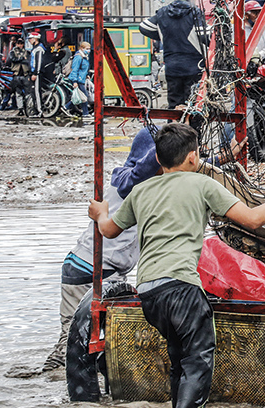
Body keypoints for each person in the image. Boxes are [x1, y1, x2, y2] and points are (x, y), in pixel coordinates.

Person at [89, 122, 265, 408]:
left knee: (180, 359)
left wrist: (101, 212)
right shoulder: (203, 183)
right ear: (193, 157)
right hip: (181, 288)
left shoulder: (140, 192)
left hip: (149, 294)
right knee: (199, 360)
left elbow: (107, 230)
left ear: (158, 158)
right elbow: (254, 219)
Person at [42, 128, 158, 372]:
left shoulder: (121, 177)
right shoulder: (136, 183)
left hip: (76, 265)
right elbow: (156, 164)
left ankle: (51, 376)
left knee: (70, 339)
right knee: (122, 336)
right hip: (100, 271)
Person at [139, 0, 208, 109]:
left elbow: (144, 27)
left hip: (172, 68)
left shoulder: (163, 12)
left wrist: (163, 35)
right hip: (194, 67)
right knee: (192, 106)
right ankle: (191, 128)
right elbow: (204, 36)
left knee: (174, 105)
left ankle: (173, 127)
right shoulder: (195, 12)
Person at [7, 38, 32, 116]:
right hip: (17, 75)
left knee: (28, 93)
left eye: (21, 43)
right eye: (18, 43)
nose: (20, 45)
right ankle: (20, 109)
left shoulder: (27, 52)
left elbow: (29, 61)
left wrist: (20, 60)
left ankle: (28, 108)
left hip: (25, 74)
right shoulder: (12, 52)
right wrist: (22, 59)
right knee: (18, 93)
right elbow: (12, 59)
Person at [66, 41, 91, 117]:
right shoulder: (78, 57)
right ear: (82, 48)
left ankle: (66, 107)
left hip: (81, 79)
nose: (88, 50)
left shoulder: (84, 57)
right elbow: (75, 69)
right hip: (78, 80)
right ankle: (85, 113)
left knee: (81, 96)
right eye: (87, 48)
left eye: (89, 49)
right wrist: (75, 81)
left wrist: (86, 75)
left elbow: (83, 69)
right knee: (84, 96)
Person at [28, 32, 47, 117]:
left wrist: (36, 73)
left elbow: (38, 62)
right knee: (33, 92)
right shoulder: (34, 48)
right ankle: (35, 110)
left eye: (31, 38)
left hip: (38, 74)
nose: (29, 40)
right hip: (33, 73)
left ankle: (40, 111)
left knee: (37, 92)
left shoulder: (39, 49)